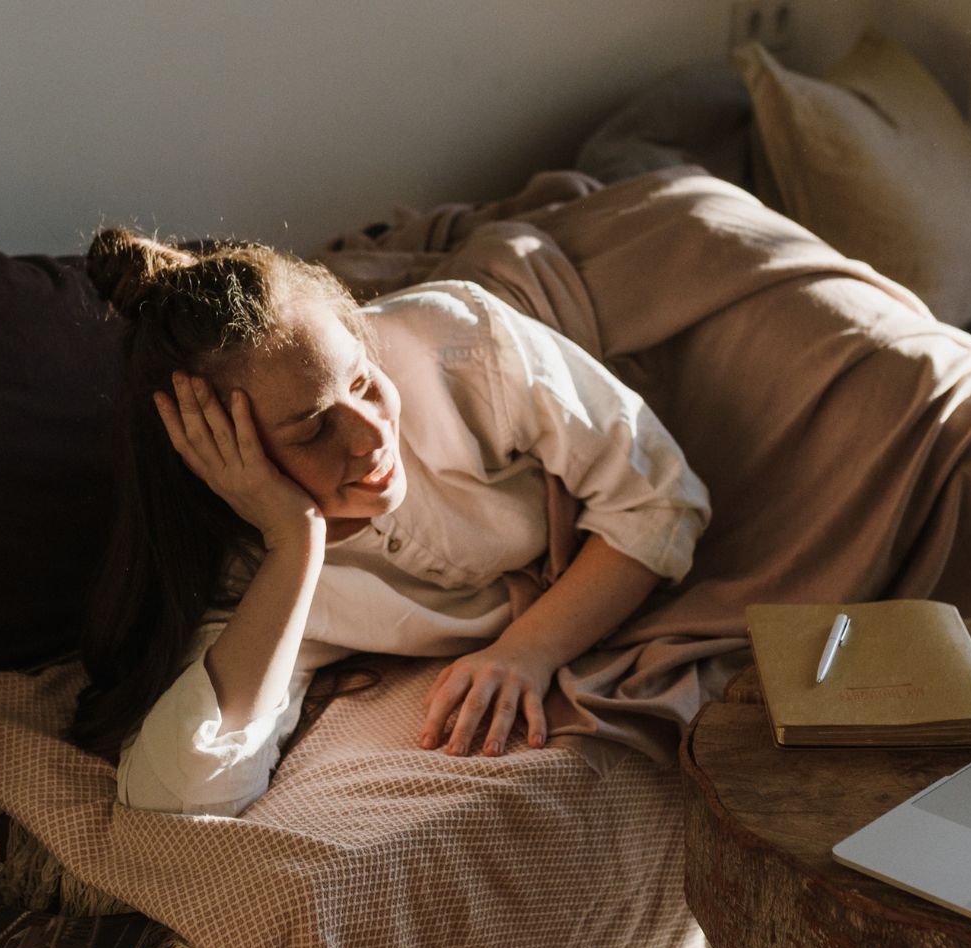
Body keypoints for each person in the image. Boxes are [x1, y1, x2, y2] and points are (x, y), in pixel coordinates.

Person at [69, 227, 711, 816]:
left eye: (364, 383)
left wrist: (529, 650)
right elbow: (181, 795)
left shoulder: (456, 346)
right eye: (316, 429)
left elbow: (661, 496)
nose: (373, 435)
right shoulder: (247, 573)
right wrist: (296, 542)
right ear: (217, 457)